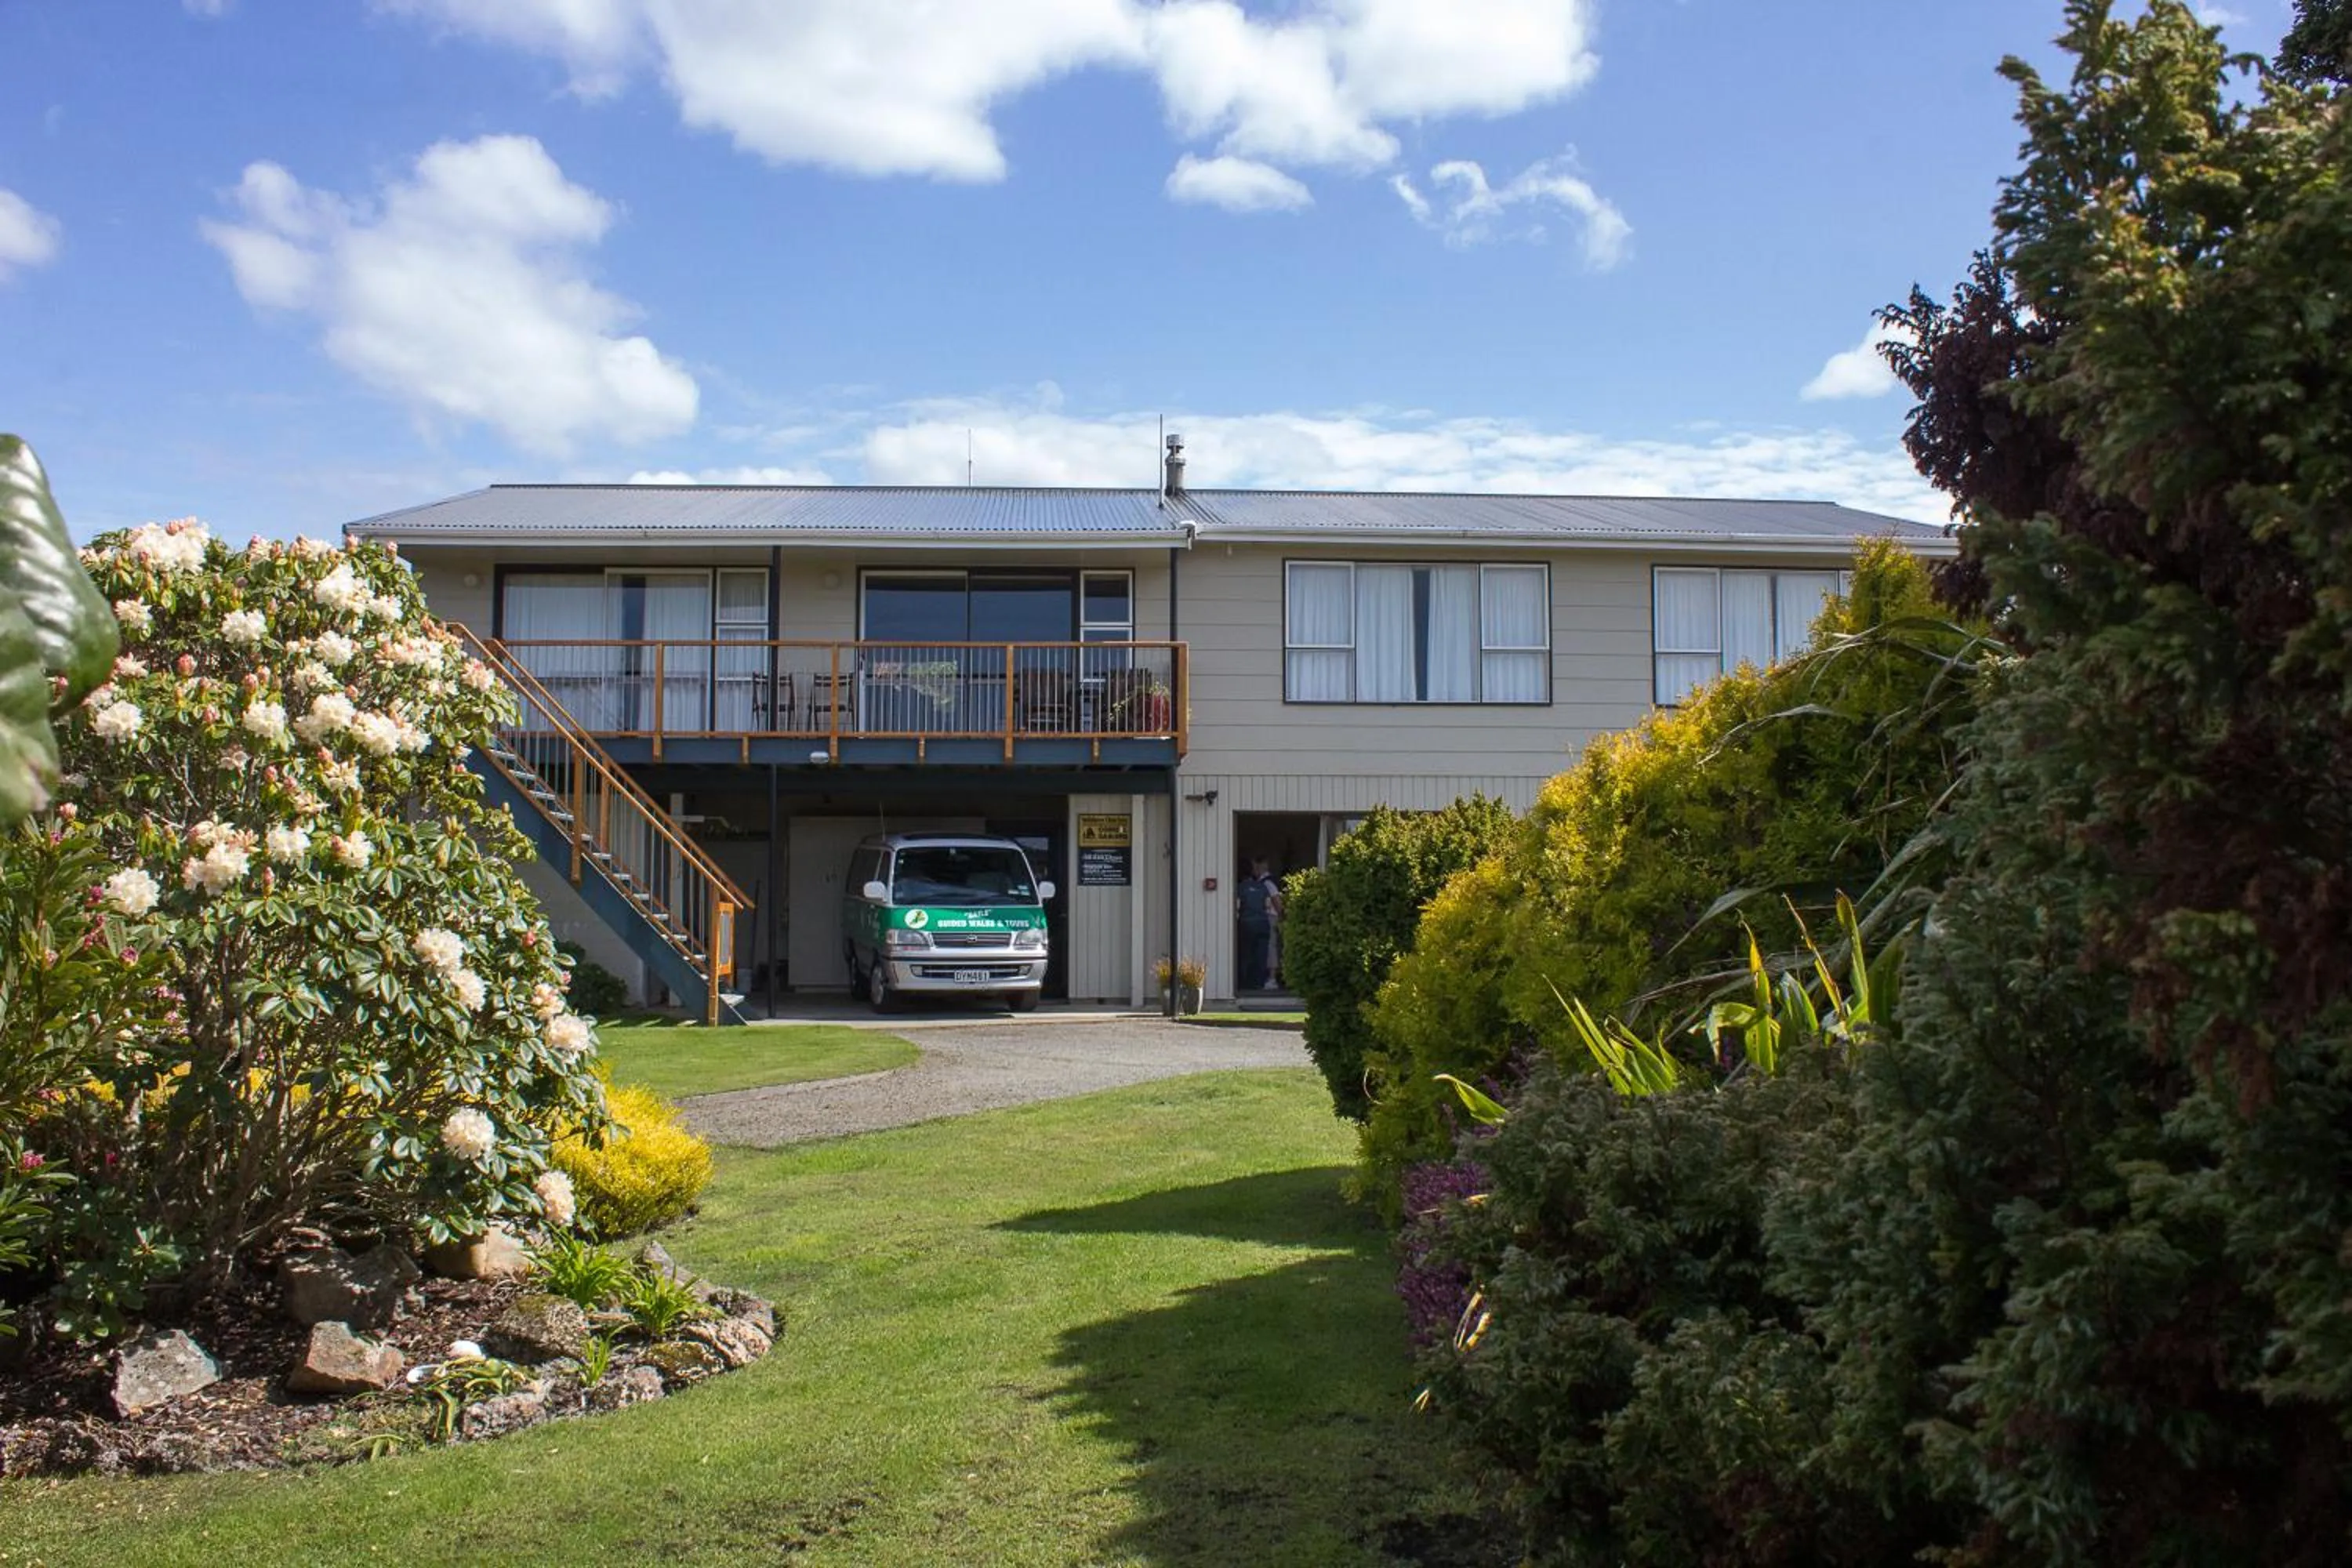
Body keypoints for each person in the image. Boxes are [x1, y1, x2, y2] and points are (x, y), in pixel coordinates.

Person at [1236, 859, 1280, 990]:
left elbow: (1237, 907)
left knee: (1247, 954)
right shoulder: (1263, 887)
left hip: (1247, 923)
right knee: (1262, 953)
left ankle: (1245, 982)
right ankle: (1260, 981)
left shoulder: (1242, 887)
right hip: (1263, 923)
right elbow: (1267, 905)